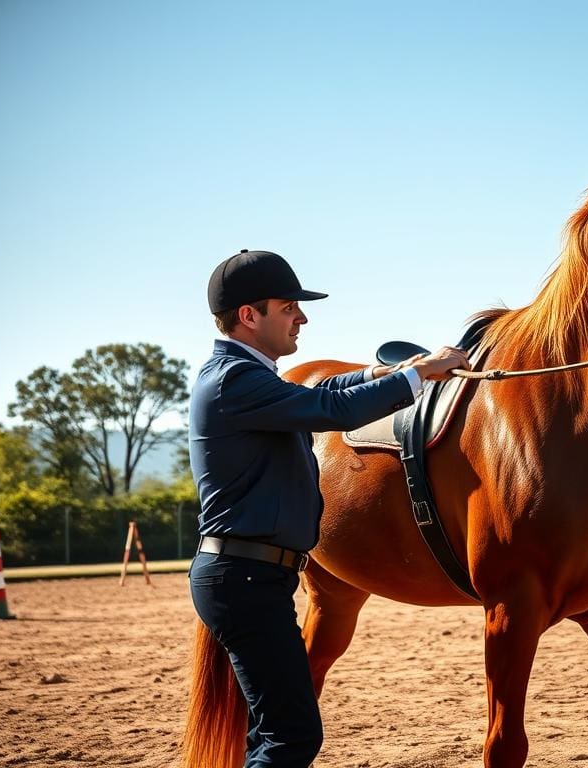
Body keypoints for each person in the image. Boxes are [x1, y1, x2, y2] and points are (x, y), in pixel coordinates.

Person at [188, 249, 469, 767]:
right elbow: (329, 408)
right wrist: (418, 378)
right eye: (288, 307)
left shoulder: (249, 376)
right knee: (291, 738)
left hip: (254, 577)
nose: (302, 318)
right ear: (248, 315)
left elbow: (328, 388)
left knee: (273, 734)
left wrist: (394, 370)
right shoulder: (234, 379)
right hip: (245, 578)